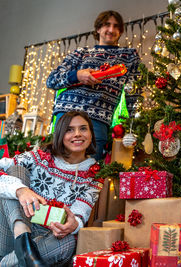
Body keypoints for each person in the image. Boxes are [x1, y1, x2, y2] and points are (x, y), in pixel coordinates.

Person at [0, 111, 103, 266]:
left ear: (91, 134)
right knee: (16, 170)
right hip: (11, 231)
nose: (77, 134)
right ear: (60, 134)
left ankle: (12, 260)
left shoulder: (94, 174)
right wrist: (21, 190)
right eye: (69, 129)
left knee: (68, 242)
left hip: (48, 238)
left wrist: (73, 224)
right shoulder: (40, 157)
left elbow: (81, 212)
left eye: (83, 129)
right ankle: (23, 240)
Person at [47, 10, 141, 160]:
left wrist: (133, 126)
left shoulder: (129, 56)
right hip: (66, 113)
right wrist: (77, 75)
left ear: (120, 31)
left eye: (116, 26)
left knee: (90, 170)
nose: (111, 30)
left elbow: (134, 93)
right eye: (106, 25)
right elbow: (52, 80)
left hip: (98, 118)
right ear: (98, 29)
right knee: (58, 165)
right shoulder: (81, 53)